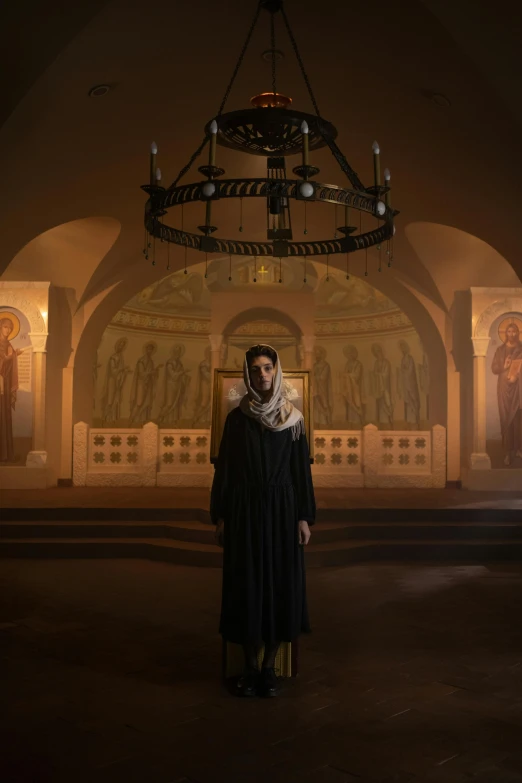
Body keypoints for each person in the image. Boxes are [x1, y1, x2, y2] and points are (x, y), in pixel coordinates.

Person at [211, 344, 315, 698]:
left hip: (283, 512)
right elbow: (225, 471)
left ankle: (269, 667)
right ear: (247, 374)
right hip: (244, 511)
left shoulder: (294, 420)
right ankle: (250, 667)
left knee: (278, 585)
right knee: (247, 584)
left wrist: (304, 517)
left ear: (277, 370)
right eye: (256, 369)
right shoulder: (237, 419)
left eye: (268, 368)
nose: (262, 375)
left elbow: (301, 473)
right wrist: (222, 515)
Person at [491, 322, 522, 466]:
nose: (512, 334)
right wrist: (504, 366)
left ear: (518, 333)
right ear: (505, 333)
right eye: (509, 331)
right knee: (506, 419)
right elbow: (494, 368)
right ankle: (508, 452)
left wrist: (517, 374)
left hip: (519, 388)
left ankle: (519, 449)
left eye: (514, 331)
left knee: (518, 418)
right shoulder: (500, 350)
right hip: (504, 388)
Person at [0, 316, 23, 462]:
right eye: (5, 327)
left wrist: (13, 356)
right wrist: (13, 356)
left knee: (5, 415)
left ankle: (5, 453)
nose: (8, 330)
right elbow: (2, 360)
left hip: (5, 383)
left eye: (10, 328)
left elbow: (7, 361)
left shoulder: (8, 344)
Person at [398, 340, 421, 429]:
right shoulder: (403, 359)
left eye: (403, 348)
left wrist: (404, 371)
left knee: (413, 400)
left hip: (411, 385)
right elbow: (402, 371)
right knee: (407, 403)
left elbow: (410, 371)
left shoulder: (410, 358)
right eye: (401, 349)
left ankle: (415, 420)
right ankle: (410, 420)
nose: (402, 350)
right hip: (405, 384)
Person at [341, 344, 365, 426]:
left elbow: (357, 375)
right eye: (348, 354)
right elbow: (344, 374)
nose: (350, 355)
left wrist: (348, 375)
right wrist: (345, 375)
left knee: (357, 403)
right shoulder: (347, 364)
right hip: (348, 388)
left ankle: (359, 423)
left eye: (351, 353)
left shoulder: (358, 364)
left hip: (355, 387)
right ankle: (350, 423)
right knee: (349, 404)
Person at [371, 343, 394, 428]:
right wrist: (375, 374)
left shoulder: (386, 362)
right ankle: (380, 422)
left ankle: (389, 421)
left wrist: (378, 374)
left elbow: (386, 374)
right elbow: (374, 373)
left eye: (378, 352)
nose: (377, 355)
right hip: (378, 388)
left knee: (387, 403)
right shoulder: (376, 363)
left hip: (385, 387)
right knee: (379, 404)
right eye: (376, 354)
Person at [313, 345, 333, 427]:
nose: (317, 356)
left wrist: (315, 376)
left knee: (323, 404)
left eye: (318, 354)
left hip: (323, 389)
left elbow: (323, 377)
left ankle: (325, 423)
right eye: (316, 354)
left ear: (322, 355)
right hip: (316, 388)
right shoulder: (314, 365)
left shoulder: (326, 365)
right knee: (316, 406)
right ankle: (316, 423)